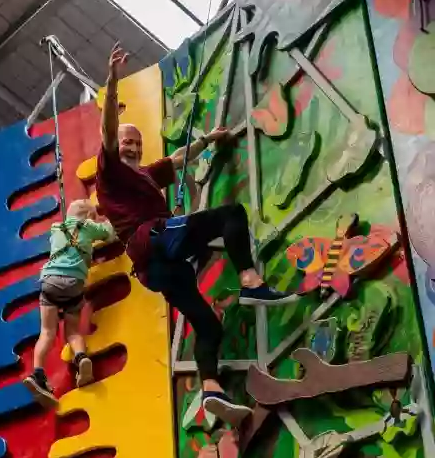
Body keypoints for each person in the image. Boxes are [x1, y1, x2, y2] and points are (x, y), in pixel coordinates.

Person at [96, 43, 299, 426]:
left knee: (207, 325)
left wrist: (208, 139)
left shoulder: (143, 175)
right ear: (115, 146)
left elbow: (176, 160)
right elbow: (108, 129)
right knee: (231, 215)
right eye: (127, 142)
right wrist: (111, 82)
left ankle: (210, 389)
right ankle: (250, 280)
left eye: (137, 143)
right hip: (152, 239)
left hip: (158, 270)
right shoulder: (110, 172)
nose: (133, 147)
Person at [23, 199, 115, 407]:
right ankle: (82, 357)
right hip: (74, 283)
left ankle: (37, 374)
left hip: (50, 282)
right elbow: (109, 233)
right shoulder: (89, 227)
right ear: (89, 217)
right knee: (72, 331)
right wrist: (106, 220)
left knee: (47, 332)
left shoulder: (56, 229)